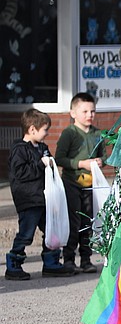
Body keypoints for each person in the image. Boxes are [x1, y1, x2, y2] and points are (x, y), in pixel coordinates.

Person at [6, 109, 74, 280]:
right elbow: (20, 173)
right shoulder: (19, 149)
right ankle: (13, 263)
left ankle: (51, 263)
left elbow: (48, 163)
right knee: (26, 234)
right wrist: (40, 164)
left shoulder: (42, 148)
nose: (47, 133)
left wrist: (49, 163)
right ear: (32, 129)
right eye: (45, 129)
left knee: (51, 232)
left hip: (45, 199)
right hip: (29, 200)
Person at [55, 92, 104, 274]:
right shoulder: (69, 133)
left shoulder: (97, 134)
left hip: (91, 185)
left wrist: (100, 162)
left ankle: (86, 259)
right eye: (84, 111)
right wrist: (80, 164)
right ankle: (68, 259)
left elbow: (104, 156)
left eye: (92, 111)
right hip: (72, 183)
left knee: (88, 221)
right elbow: (59, 158)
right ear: (73, 113)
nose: (89, 115)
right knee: (73, 222)